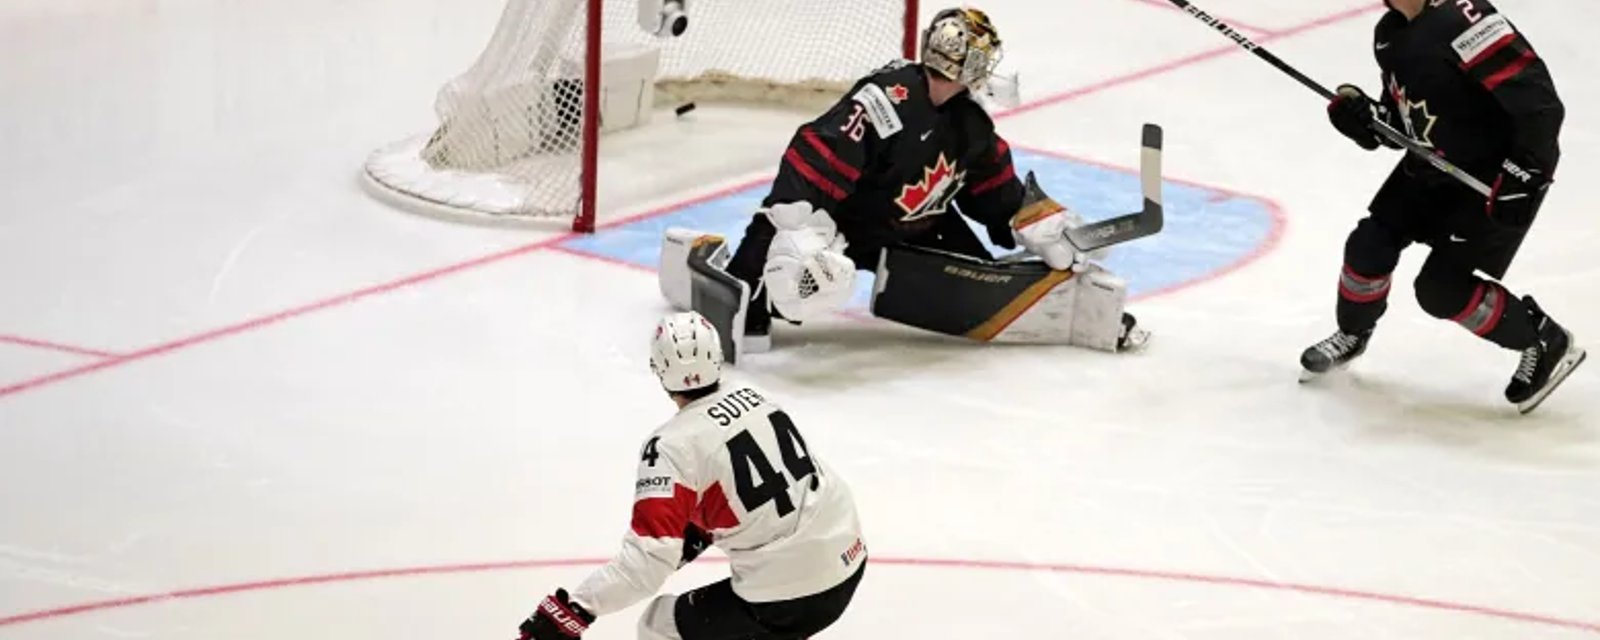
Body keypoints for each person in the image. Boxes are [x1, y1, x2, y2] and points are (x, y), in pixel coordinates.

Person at [703, 6, 1145, 354]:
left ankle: (1064, 311)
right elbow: (816, 156)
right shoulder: (888, 97)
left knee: (982, 285)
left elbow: (995, 190)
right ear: (968, 61)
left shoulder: (968, 122)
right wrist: (803, 233)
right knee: (783, 270)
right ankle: (739, 296)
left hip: (918, 225)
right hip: (847, 224)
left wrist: (1043, 225)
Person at [513, 312, 866, 640]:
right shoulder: (756, 397)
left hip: (789, 597)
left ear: (659, 370)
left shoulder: (671, 446)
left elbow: (646, 564)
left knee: (660, 626)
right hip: (849, 557)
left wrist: (576, 608)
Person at [1304, 0, 1584, 413]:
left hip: (1493, 179)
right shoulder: (1389, 34)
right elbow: (1408, 124)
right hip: (1432, 165)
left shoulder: (1466, 19)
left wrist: (1526, 173)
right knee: (1369, 246)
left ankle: (1544, 340)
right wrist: (1366, 117)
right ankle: (1352, 335)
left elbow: (1541, 106)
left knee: (1440, 291)